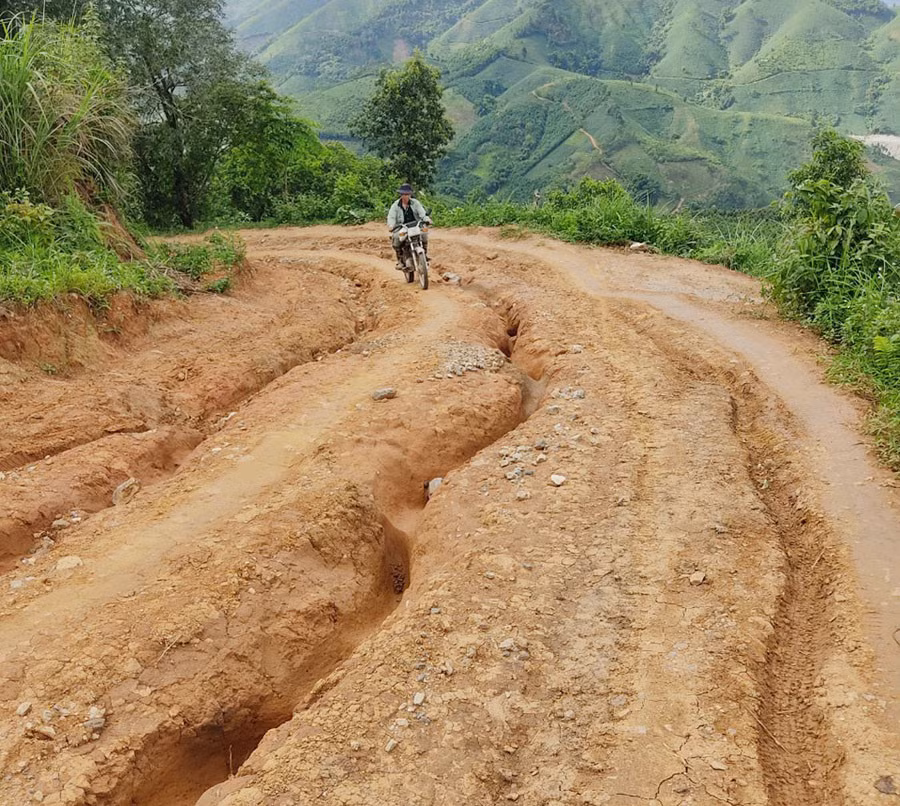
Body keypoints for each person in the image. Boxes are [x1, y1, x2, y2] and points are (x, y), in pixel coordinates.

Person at [387, 183, 430, 269]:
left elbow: (422, 213)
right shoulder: (395, 206)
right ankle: (400, 260)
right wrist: (391, 225)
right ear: (401, 195)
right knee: (396, 238)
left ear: (410, 194)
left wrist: (427, 219)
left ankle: (424, 254)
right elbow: (391, 217)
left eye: (407, 194)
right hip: (402, 227)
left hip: (416, 225)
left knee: (424, 233)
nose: (405, 196)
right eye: (403, 194)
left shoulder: (415, 203)